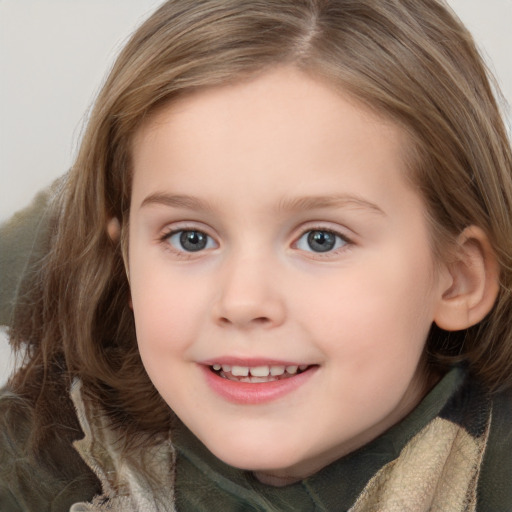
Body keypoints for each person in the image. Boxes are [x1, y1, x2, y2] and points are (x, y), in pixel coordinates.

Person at [1, 0, 511, 510]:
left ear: (456, 279)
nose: (243, 301)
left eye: (321, 239)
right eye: (190, 238)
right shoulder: (38, 458)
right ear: (126, 265)